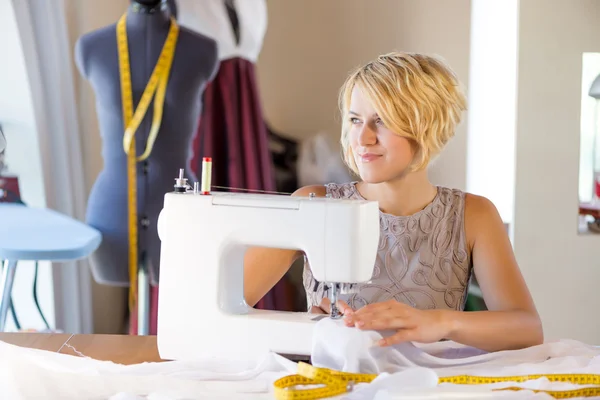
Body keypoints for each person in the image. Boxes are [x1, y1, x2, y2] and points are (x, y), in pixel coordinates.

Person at [244, 51, 543, 352]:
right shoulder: (313, 205)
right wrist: (305, 328)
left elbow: (527, 328)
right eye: (355, 120)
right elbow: (222, 305)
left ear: (428, 124)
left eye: (382, 121)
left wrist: (442, 322)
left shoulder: (473, 216)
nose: (362, 138)